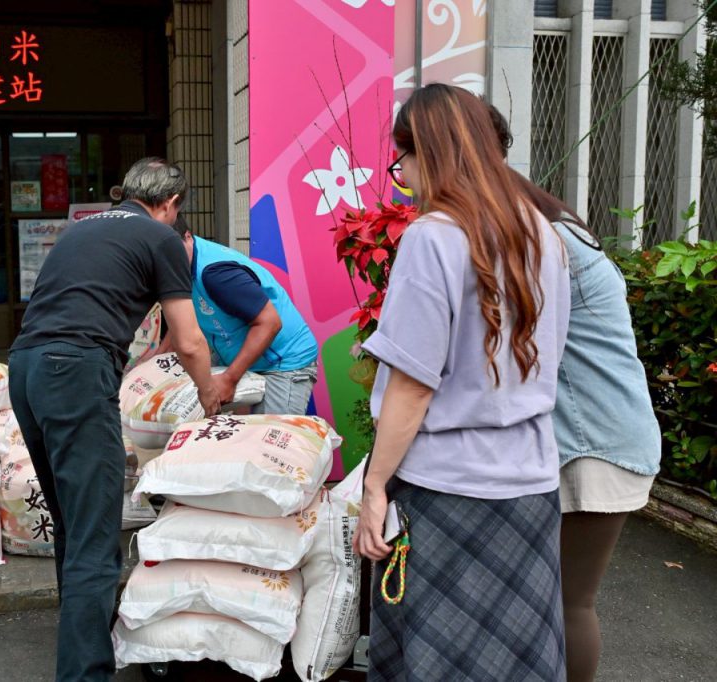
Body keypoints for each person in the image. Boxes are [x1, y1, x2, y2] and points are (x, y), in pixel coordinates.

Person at [352, 84, 571, 680]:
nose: (404, 177)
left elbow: (412, 386)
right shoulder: (542, 232)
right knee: (517, 659)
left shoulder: (433, 235)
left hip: (447, 489)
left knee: (442, 659)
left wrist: (375, 488)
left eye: (402, 162)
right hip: (529, 483)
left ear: (426, 152)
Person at [9, 157, 221, 682]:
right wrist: (209, 391)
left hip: (26, 368)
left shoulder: (82, 231)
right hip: (76, 373)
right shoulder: (160, 237)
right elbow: (189, 339)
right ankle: (84, 672)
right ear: (170, 204)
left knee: (72, 522)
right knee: (95, 535)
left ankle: (81, 634)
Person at [488, 105, 661, 682]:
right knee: (555, 600)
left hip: (594, 444)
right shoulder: (550, 221)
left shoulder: (539, 239)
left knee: (570, 602)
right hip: (599, 434)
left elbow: (512, 352)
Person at [168, 215, 319, 415]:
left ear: (188, 236)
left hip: (281, 361)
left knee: (268, 440)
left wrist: (229, 379)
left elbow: (270, 323)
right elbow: (180, 321)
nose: (167, 261)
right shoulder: (179, 268)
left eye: (172, 251)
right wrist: (151, 364)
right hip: (236, 356)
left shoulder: (215, 274)